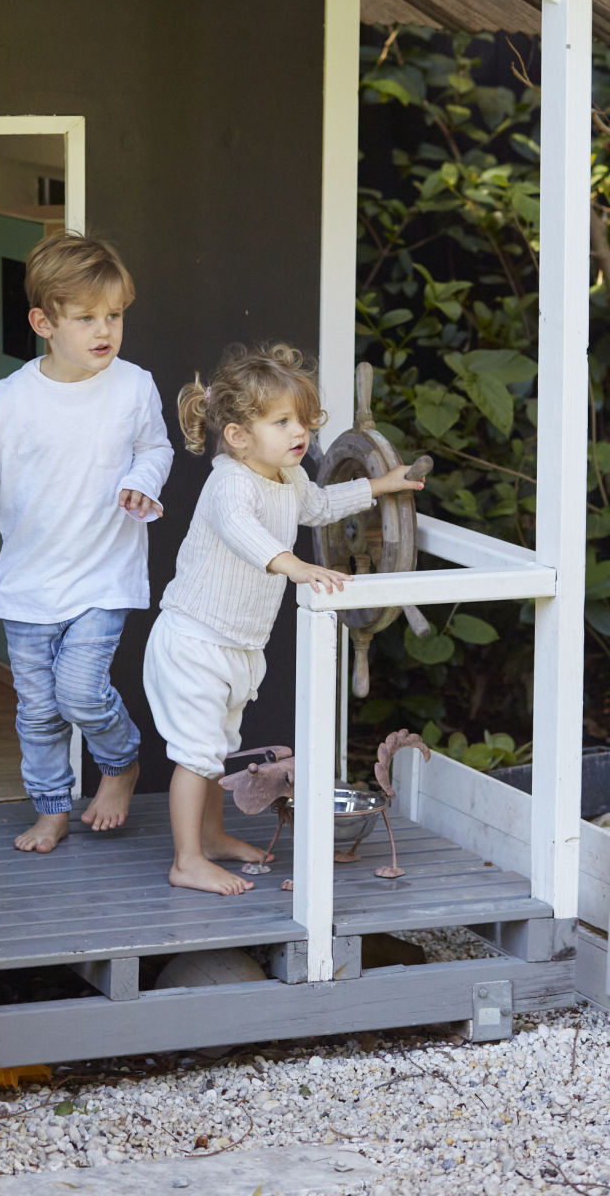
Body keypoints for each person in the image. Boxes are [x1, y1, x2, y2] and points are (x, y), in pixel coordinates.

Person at [0, 232, 173, 854]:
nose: (104, 329)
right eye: (86, 317)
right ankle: (53, 808)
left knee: (81, 691)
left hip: (103, 575)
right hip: (29, 584)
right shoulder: (9, 399)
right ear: (43, 322)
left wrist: (142, 483)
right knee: (38, 712)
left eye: (114, 315)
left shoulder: (134, 386)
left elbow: (155, 448)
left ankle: (120, 763)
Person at [143, 342, 426, 897]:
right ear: (239, 436)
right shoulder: (230, 483)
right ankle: (187, 860)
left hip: (238, 645)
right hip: (193, 641)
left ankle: (214, 836)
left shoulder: (286, 477)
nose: (300, 432)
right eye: (282, 421)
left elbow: (317, 506)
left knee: (217, 751)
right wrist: (295, 564)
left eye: (303, 420)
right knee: (195, 756)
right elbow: (246, 536)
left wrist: (376, 487)